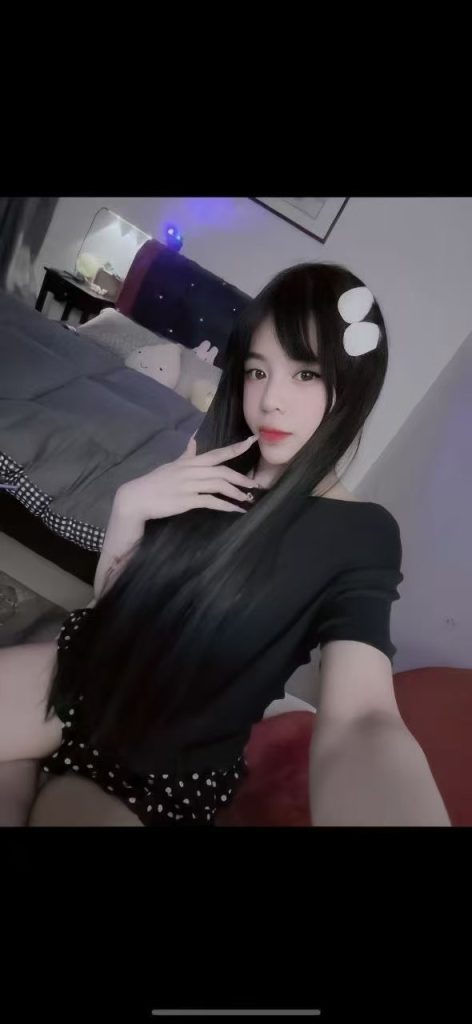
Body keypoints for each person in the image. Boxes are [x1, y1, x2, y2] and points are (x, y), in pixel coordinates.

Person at [0, 262, 450, 827]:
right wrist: (128, 511)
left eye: (305, 374)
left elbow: (362, 718)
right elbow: (110, 606)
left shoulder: (362, 534)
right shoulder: (211, 458)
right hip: (83, 671)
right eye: (258, 371)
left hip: (161, 760)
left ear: (352, 386)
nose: (270, 400)